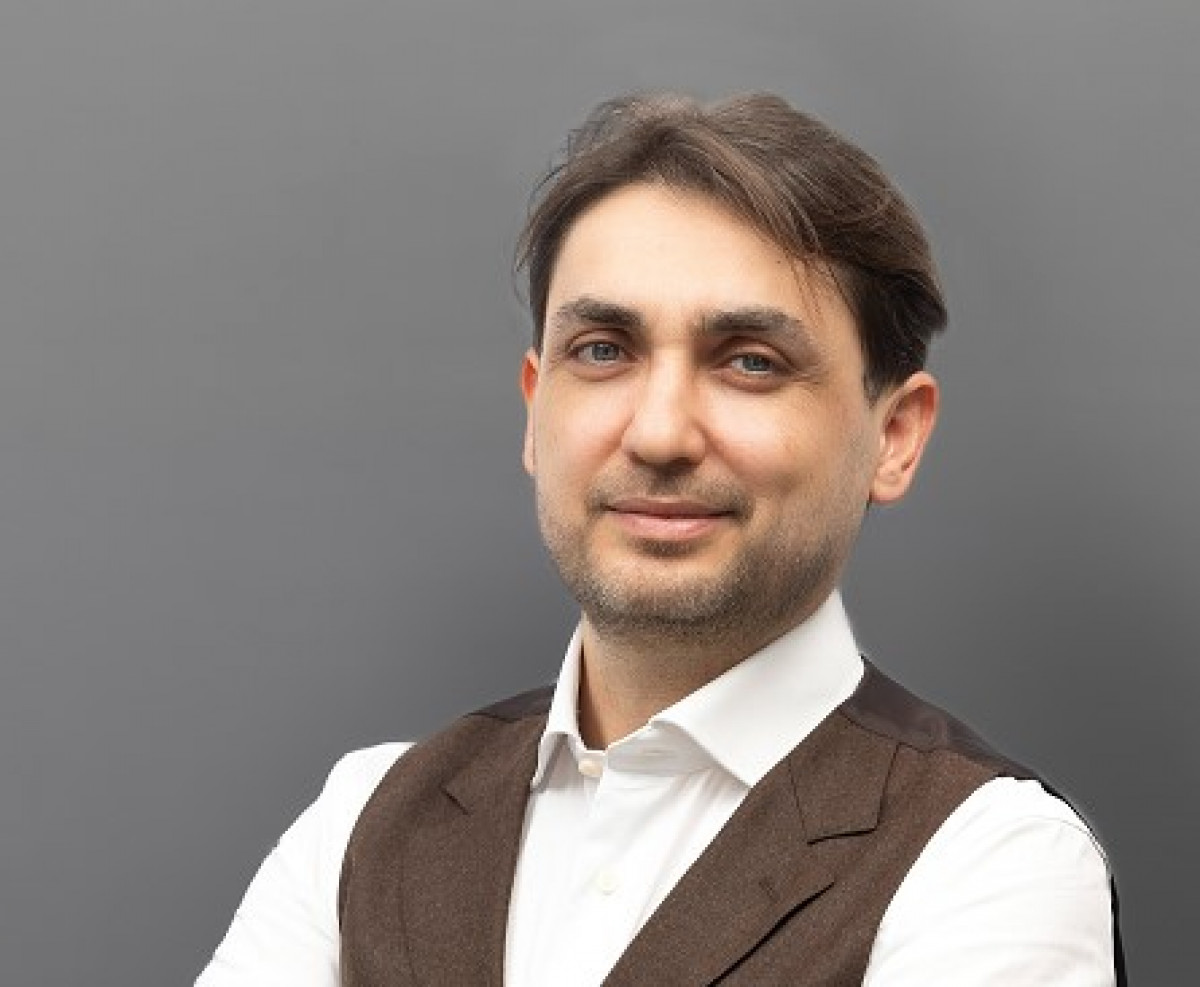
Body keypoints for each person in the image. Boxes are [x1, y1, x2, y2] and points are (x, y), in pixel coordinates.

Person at [197, 92, 1124, 985]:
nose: (659, 432)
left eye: (750, 362)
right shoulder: (362, 822)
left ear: (894, 436)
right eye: (603, 350)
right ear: (536, 411)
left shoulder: (993, 863)